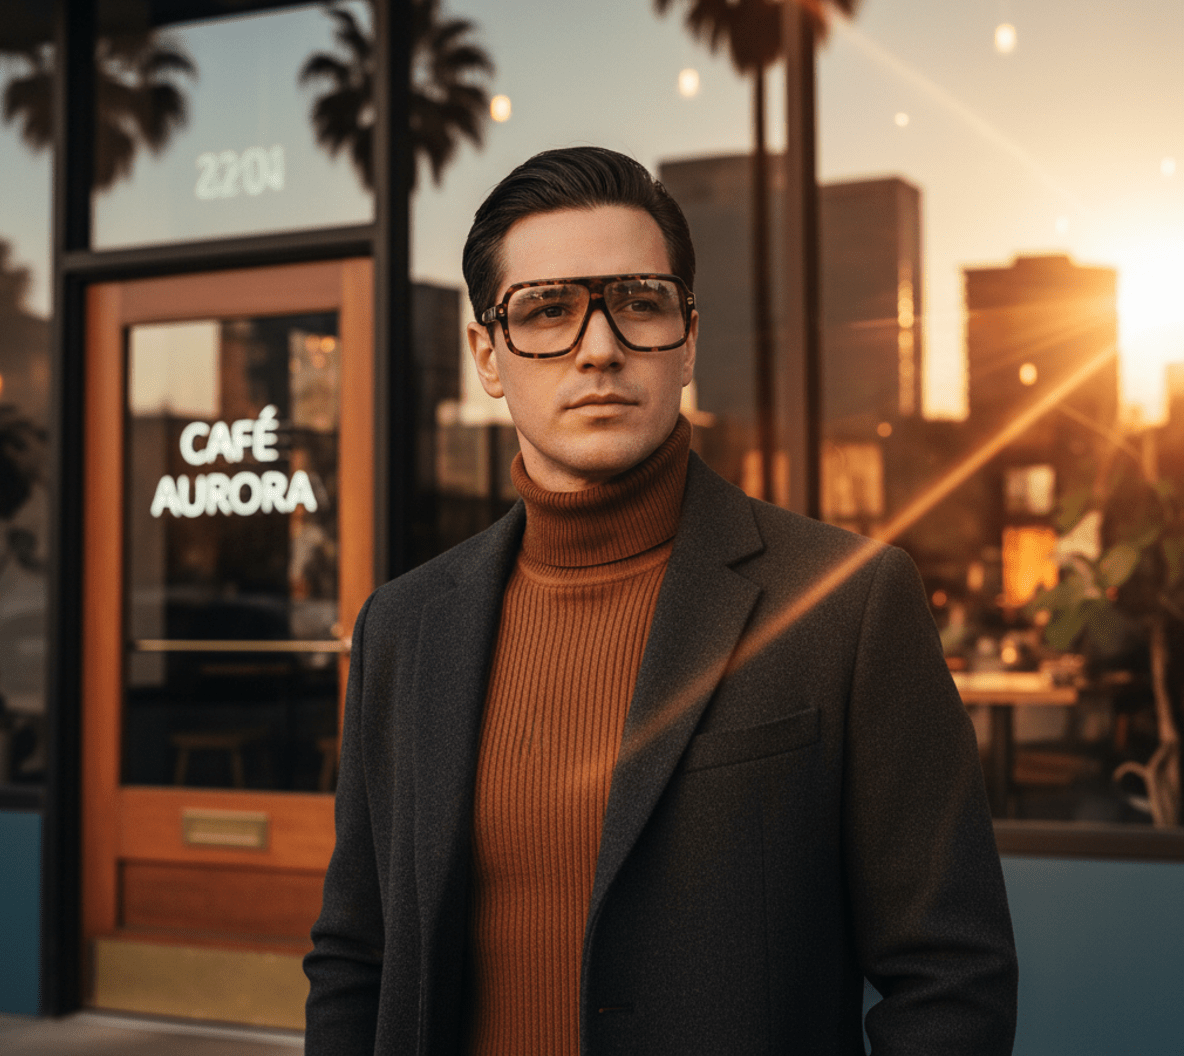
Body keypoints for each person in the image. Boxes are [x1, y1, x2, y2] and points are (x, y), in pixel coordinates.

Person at [303, 147, 1018, 1055]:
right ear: (488, 355)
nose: (598, 346)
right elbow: (356, 956)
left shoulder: (847, 605)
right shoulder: (404, 628)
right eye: (548, 310)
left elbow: (952, 977)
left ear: (686, 340)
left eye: (638, 303)